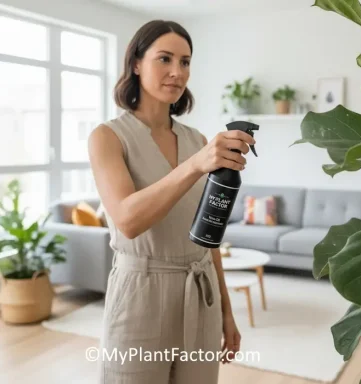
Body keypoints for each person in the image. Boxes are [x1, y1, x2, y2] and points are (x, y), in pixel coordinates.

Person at [88, 20, 254, 383]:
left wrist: (227, 311)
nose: (177, 73)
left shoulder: (197, 139)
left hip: (201, 295)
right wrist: (196, 165)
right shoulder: (108, 138)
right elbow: (128, 219)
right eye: (164, 59)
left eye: (186, 62)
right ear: (136, 63)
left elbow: (209, 236)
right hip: (140, 297)